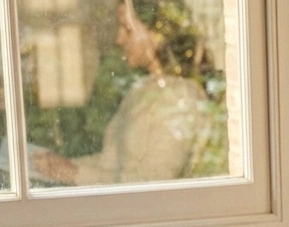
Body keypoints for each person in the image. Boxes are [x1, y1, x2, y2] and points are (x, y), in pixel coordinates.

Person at [31, 0, 215, 185]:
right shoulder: (143, 87)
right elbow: (110, 162)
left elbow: (157, 181)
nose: (119, 39)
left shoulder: (181, 97)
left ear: (157, 34)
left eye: (128, 29)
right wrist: (57, 167)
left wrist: (75, 173)